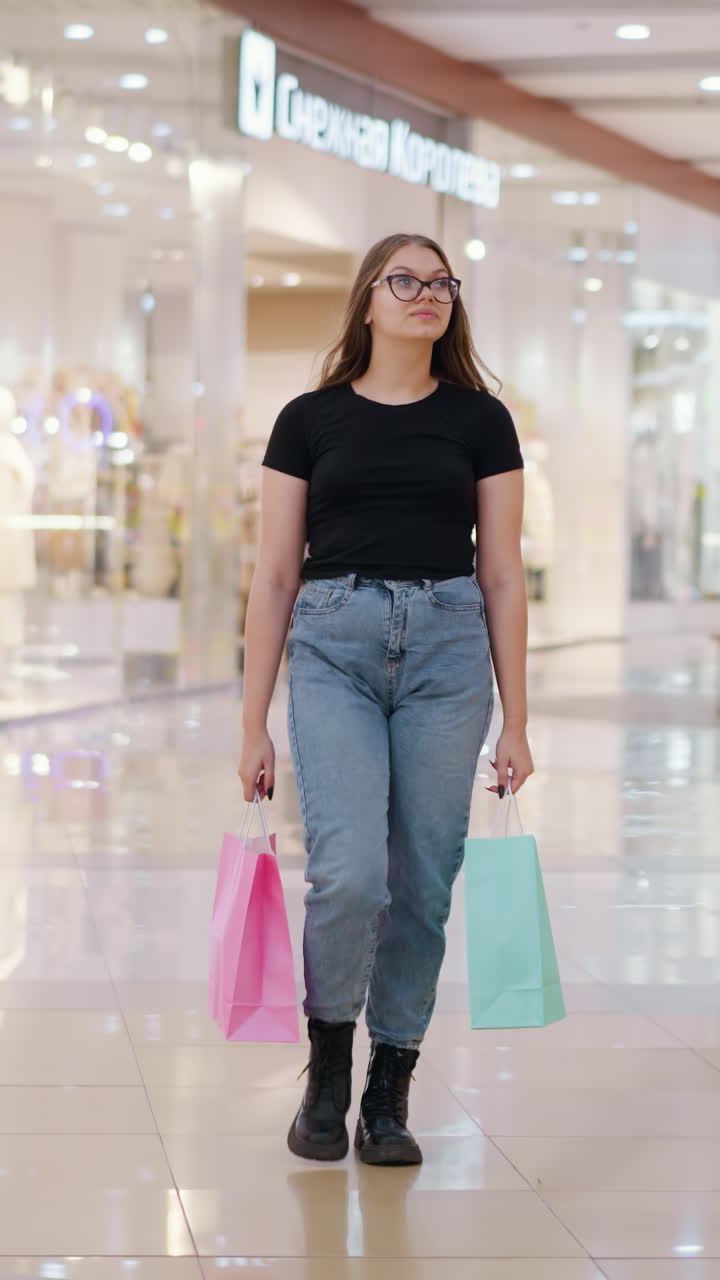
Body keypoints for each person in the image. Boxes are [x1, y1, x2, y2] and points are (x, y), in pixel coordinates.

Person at [238, 231, 534, 1167]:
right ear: (368, 299)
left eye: (440, 282)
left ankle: (389, 1089)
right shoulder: (307, 419)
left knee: (424, 883)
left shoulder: (482, 420)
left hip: (450, 651)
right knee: (351, 872)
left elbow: (504, 575)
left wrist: (517, 718)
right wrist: (251, 722)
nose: (426, 295)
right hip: (334, 646)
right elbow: (275, 574)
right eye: (404, 280)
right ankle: (327, 1068)